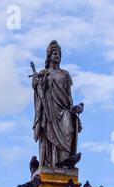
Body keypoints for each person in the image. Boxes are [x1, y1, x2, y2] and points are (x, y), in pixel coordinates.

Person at [32, 40, 81, 168]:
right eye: (54, 53)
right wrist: (35, 84)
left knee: (68, 127)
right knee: (49, 133)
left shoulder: (65, 74)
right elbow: (39, 92)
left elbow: (68, 94)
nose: (57, 55)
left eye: (59, 53)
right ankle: (52, 163)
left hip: (64, 108)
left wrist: (73, 108)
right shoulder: (44, 73)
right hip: (49, 110)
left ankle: (64, 163)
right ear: (49, 56)